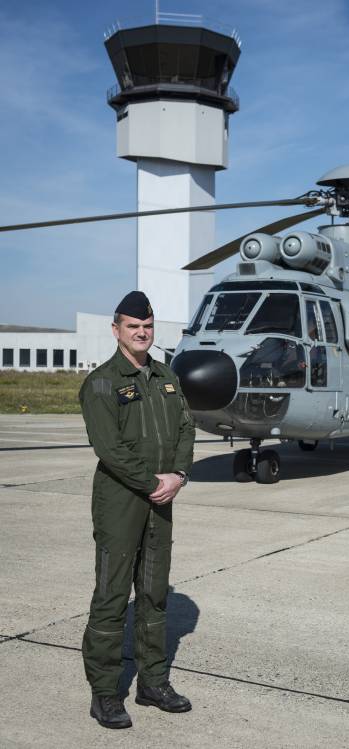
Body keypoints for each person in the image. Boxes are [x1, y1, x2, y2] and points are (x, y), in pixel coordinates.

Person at [79, 291, 195, 730]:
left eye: (147, 325)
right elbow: (109, 448)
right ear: (116, 331)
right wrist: (153, 483)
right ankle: (105, 693)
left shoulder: (167, 377)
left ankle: (153, 683)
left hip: (160, 501)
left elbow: (186, 427)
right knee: (111, 597)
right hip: (121, 502)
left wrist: (178, 475)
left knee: (154, 594)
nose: (141, 332)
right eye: (132, 326)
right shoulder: (102, 383)